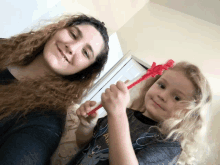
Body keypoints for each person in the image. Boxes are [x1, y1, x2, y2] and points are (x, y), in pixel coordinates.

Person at [0, 14, 109, 165]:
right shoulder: (3, 47)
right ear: (57, 29)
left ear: (85, 72)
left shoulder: (46, 121)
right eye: (73, 34)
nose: (71, 47)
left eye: (85, 53)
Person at [68, 61, 212, 165]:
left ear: (189, 114)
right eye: (161, 85)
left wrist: (117, 115)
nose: (162, 95)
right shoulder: (127, 114)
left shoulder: (168, 145)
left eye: (177, 97)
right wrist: (86, 126)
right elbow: (83, 144)